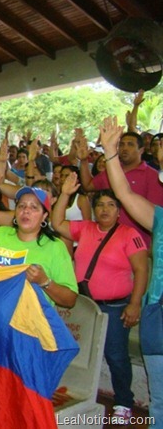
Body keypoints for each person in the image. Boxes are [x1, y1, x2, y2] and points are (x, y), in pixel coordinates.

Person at [52, 172, 147, 423]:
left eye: (111, 205)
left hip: (115, 307)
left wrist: (135, 303)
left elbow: (141, 270)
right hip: (85, 305)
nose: (104, 209)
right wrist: (64, 194)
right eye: (100, 205)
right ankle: (75, 392)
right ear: (93, 210)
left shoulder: (129, 234)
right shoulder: (85, 229)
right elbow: (57, 222)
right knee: (78, 351)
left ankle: (124, 404)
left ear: (119, 211)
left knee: (116, 355)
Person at [100, 116, 163, 427]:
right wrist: (110, 152)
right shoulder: (159, 218)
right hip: (158, 316)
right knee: (160, 403)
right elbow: (123, 194)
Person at [0, 171, 77, 308]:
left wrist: (44, 282)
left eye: (34, 207)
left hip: (30, 324)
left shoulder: (55, 247)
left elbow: (70, 300)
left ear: (44, 216)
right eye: (21, 206)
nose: (26, 211)